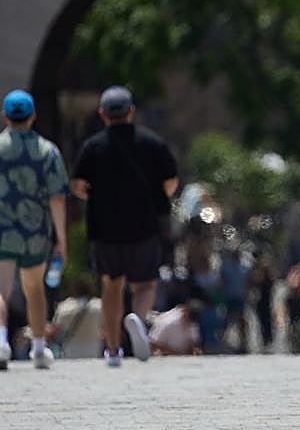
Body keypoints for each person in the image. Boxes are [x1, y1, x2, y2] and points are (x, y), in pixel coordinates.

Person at [70, 85, 179, 367]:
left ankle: (114, 349)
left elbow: (78, 185)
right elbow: (171, 181)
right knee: (144, 284)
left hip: (105, 228)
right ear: (131, 111)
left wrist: (95, 196)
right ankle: (139, 321)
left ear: (102, 114)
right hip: (143, 225)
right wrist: (155, 196)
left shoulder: (92, 147)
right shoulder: (151, 142)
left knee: (111, 286)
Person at [0, 89, 69, 370]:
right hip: (35, 232)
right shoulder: (47, 151)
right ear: (33, 116)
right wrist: (60, 238)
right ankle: (39, 348)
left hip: (2, 229)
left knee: (0, 291)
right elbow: (57, 197)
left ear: (5, 116)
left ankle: (1, 342)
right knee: (34, 289)